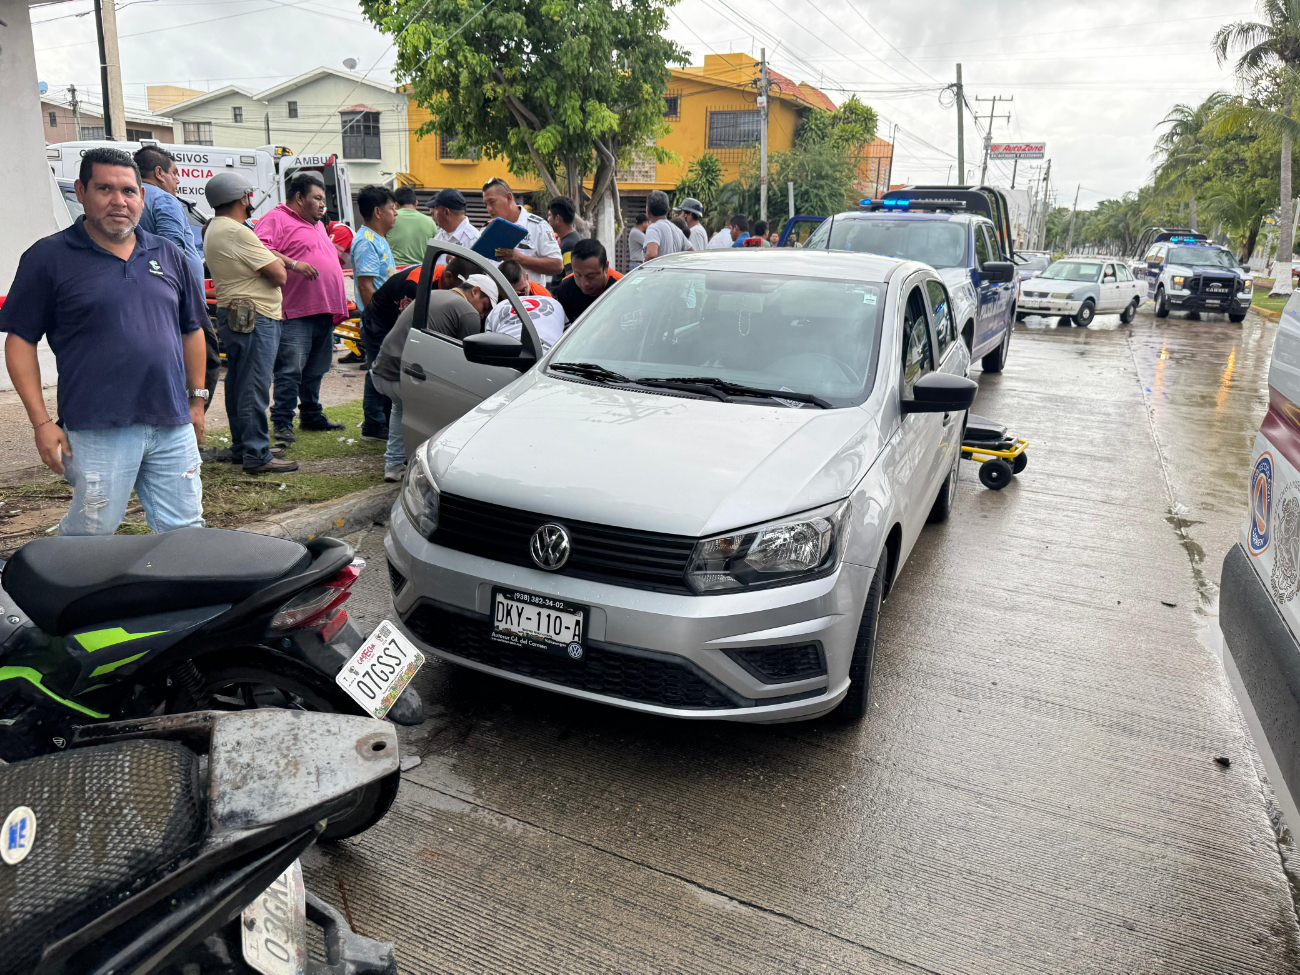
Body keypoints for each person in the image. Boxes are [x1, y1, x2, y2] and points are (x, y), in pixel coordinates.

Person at [0, 147, 208, 535]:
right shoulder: (48, 257)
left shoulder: (167, 254)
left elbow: (191, 329)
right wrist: (41, 422)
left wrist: (196, 402)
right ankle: (47, 594)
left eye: (129, 191)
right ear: (80, 190)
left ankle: (179, 597)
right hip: (98, 425)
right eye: (105, 189)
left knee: (186, 530)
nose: (119, 201)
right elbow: (20, 341)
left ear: (141, 197)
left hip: (171, 420)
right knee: (93, 530)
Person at [203, 173, 297, 475]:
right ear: (243, 197)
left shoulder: (215, 227)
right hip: (255, 315)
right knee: (254, 384)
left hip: (239, 314)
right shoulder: (236, 232)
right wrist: (279, 263)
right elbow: (279, 275)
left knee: (240, 382)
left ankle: (246, 445)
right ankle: (256, 452)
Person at [368, 273, 497, 482]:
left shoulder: (432, 294)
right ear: (475, 292)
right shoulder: (467, 312)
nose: (484, 315)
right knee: (445, 411)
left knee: (400, 408)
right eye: (486, 307)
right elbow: (467, 363)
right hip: (406, 374)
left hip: (383, 371)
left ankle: (392, 465)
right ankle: (433, 469)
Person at [254, 171, 349, 445]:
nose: (323, 204)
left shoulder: (317, 224)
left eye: (324, 199)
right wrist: (293, 264)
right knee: (290, 370)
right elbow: (259, 248)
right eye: (317, 198)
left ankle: (311, 415)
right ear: (299, 197)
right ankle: (282, 422)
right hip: (296, 311)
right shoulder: (277, 218)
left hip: (323, 309)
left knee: (316, 369)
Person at [134, 145, 219, 407]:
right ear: (160, 173)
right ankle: (190, 431)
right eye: (175, 173)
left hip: (148, 295)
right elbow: (172, 251)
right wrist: (179, 298)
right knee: (205, 361)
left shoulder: (136, 199)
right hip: (180, 300)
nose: (178, 180)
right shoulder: (164, 199)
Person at [481, 177, 563, 286]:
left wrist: (520, 259)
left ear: (509, 197)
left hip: (528, 299)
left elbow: (557, 265)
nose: (489, 209)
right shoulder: (486, 229)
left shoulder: (537, 226)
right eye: (486, 205)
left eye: (492, 202)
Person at [553, 238, 623, 322]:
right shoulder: (566, 290)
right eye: (578, 275)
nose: (584, 283)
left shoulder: (622, 287)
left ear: (606, 267)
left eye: (591, 276)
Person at [351, 185, 399, 308]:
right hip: (379, 321)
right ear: (378, 212)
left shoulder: (378, 237)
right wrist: (378, 318)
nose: (396, 213)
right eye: (392, 208)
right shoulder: (367, 242)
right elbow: (365, 287)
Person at [485, 291, 567, 353]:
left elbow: (486, 345)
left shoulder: (498, 307)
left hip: (506, 356)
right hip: (549, 357)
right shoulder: (554, 302)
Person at [386, 185, 437, 266]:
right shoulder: (430, 222)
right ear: (416, 203)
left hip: (395, 271)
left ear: (396, 204)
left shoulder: (390, 219)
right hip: (419, 273)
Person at [431, 188, 479, 264]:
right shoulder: (440, 235)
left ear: (446, 212)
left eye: (436, 211)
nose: (434, 217)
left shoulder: (473, 239)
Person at [643, 189, 689, 261]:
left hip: (659, 272)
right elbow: (692, 252)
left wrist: (643, 269)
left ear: (647, 211)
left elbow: (652, 254)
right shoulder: (677, 230)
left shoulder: (653, 228)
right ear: (668, 210)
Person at [547, 197, 582, 288]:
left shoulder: (568, 246)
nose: (548, 219)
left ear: (558, 218)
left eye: (550, 215)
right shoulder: (575, 238)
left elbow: (570, 279)